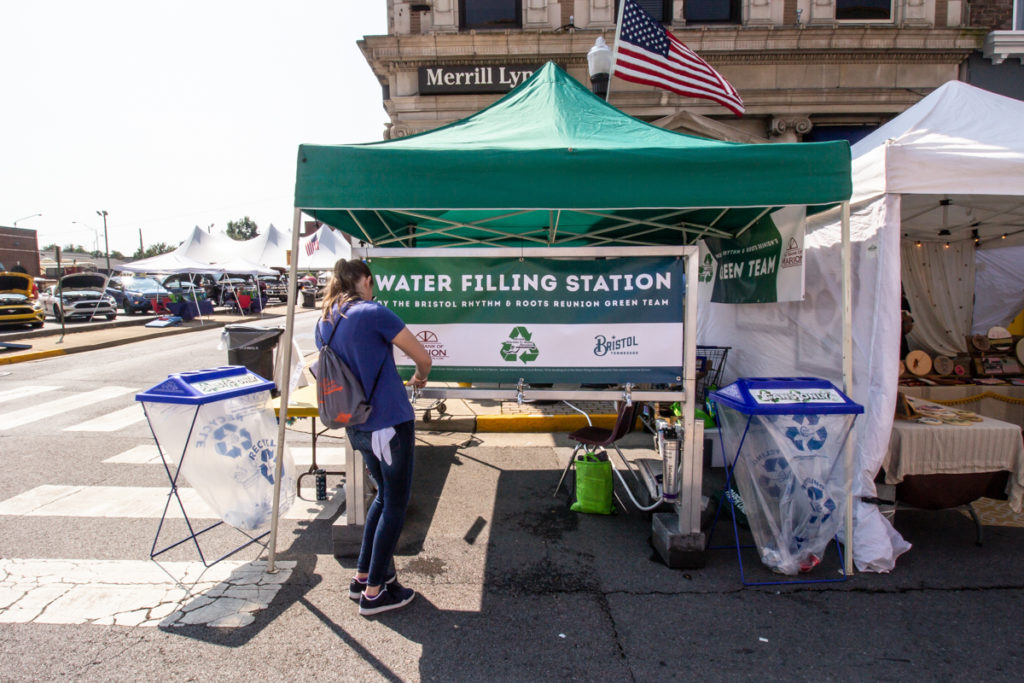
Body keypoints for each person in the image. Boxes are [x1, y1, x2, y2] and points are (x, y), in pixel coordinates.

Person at [315, 258, 431, 616]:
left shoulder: (325, 320)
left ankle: (363, 575)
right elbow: (422, 357)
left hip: (357, 424)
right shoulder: (373, 312)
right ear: (365, 280)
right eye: (372, 283)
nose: (373, 288)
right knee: (395, 503)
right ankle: (376, 592)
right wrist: (420, 377)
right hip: (389, 423)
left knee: (382, 497)